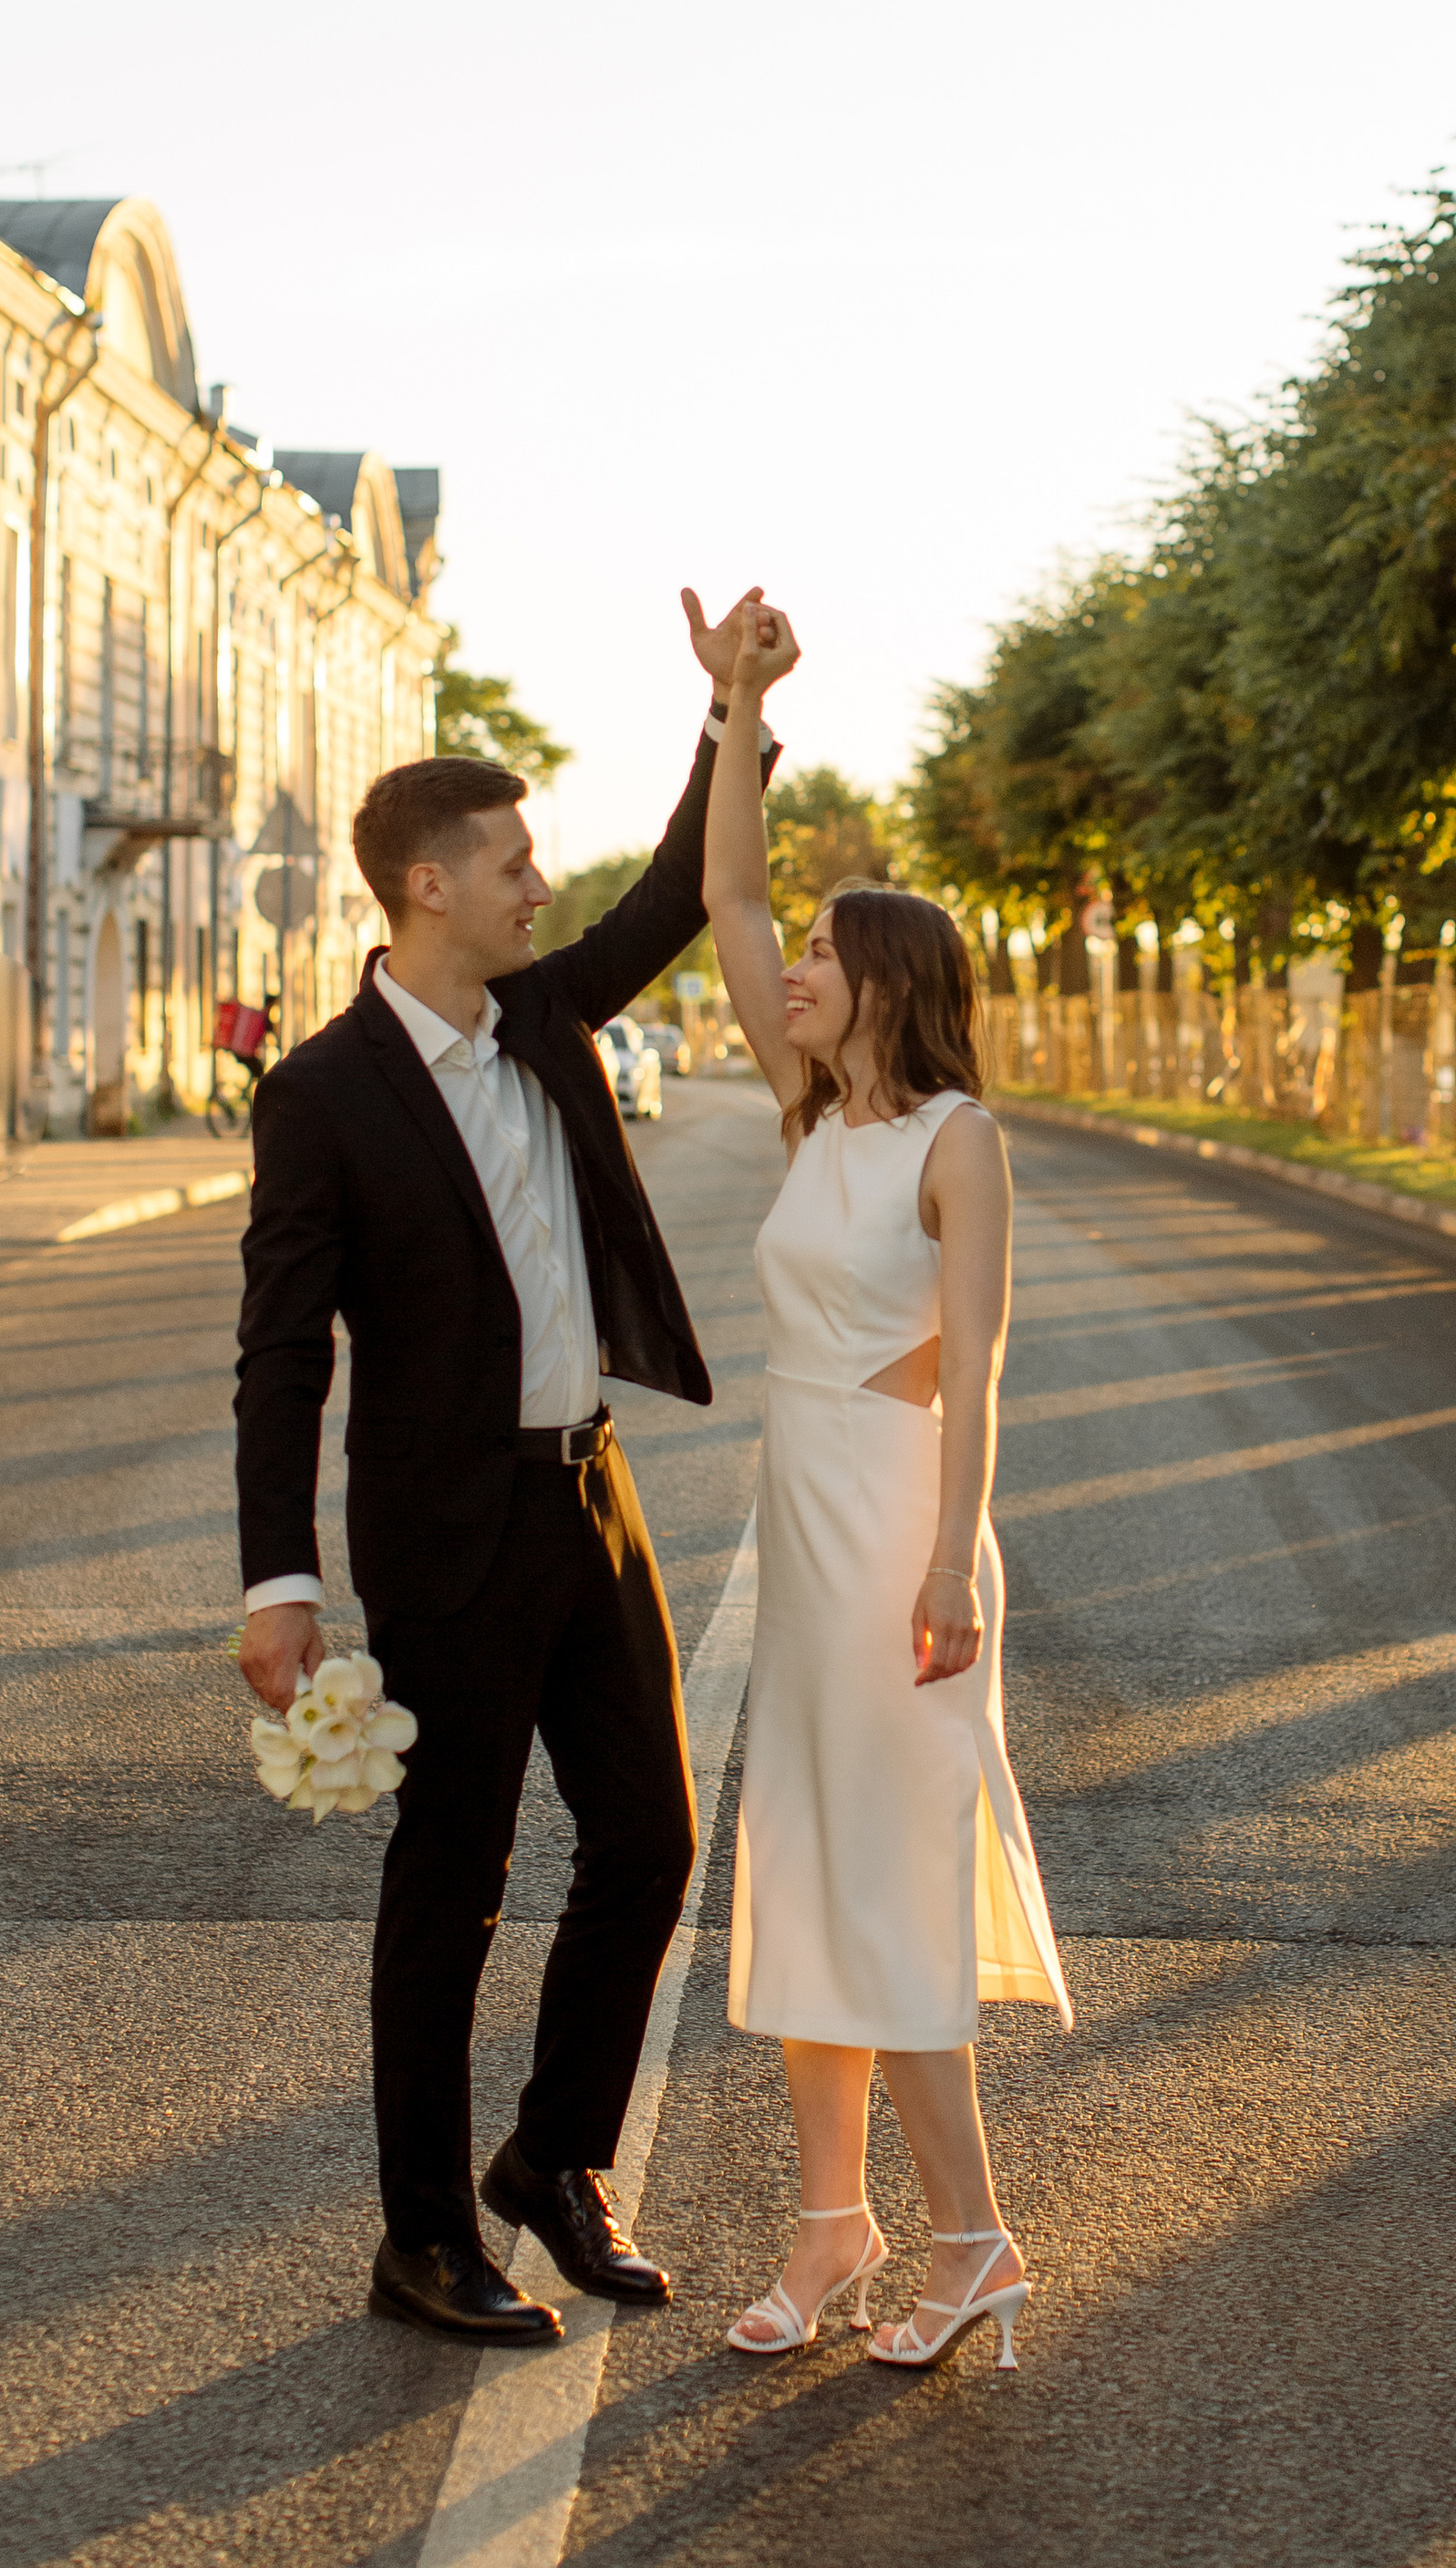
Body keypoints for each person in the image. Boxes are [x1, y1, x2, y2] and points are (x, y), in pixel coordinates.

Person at [234, 590, 790, 2345]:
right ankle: (419, 2239)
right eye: (510, 864)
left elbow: (669, 899)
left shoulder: (547, 1018)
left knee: (650, 1841)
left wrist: (727, 716)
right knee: (451, 1883)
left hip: (591, 1498)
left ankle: (551, 2162)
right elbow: (281, 1350)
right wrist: (280, 1580)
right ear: (425, 891)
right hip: (450, 1537)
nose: (539, 886)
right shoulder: (322, 1094)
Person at [701, 599, 1072, 2375]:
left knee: (893, 1885)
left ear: (890, 980)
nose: (786, 972)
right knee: (810, 1867)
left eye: (820, 958)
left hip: (899, 1540)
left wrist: (947, 1566)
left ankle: (970, 2233)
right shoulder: (807, 1110)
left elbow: (976, 1360)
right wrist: (733, 715)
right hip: (801, 1525)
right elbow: (725, 902)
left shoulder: (953, 1138)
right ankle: (831, 2217)